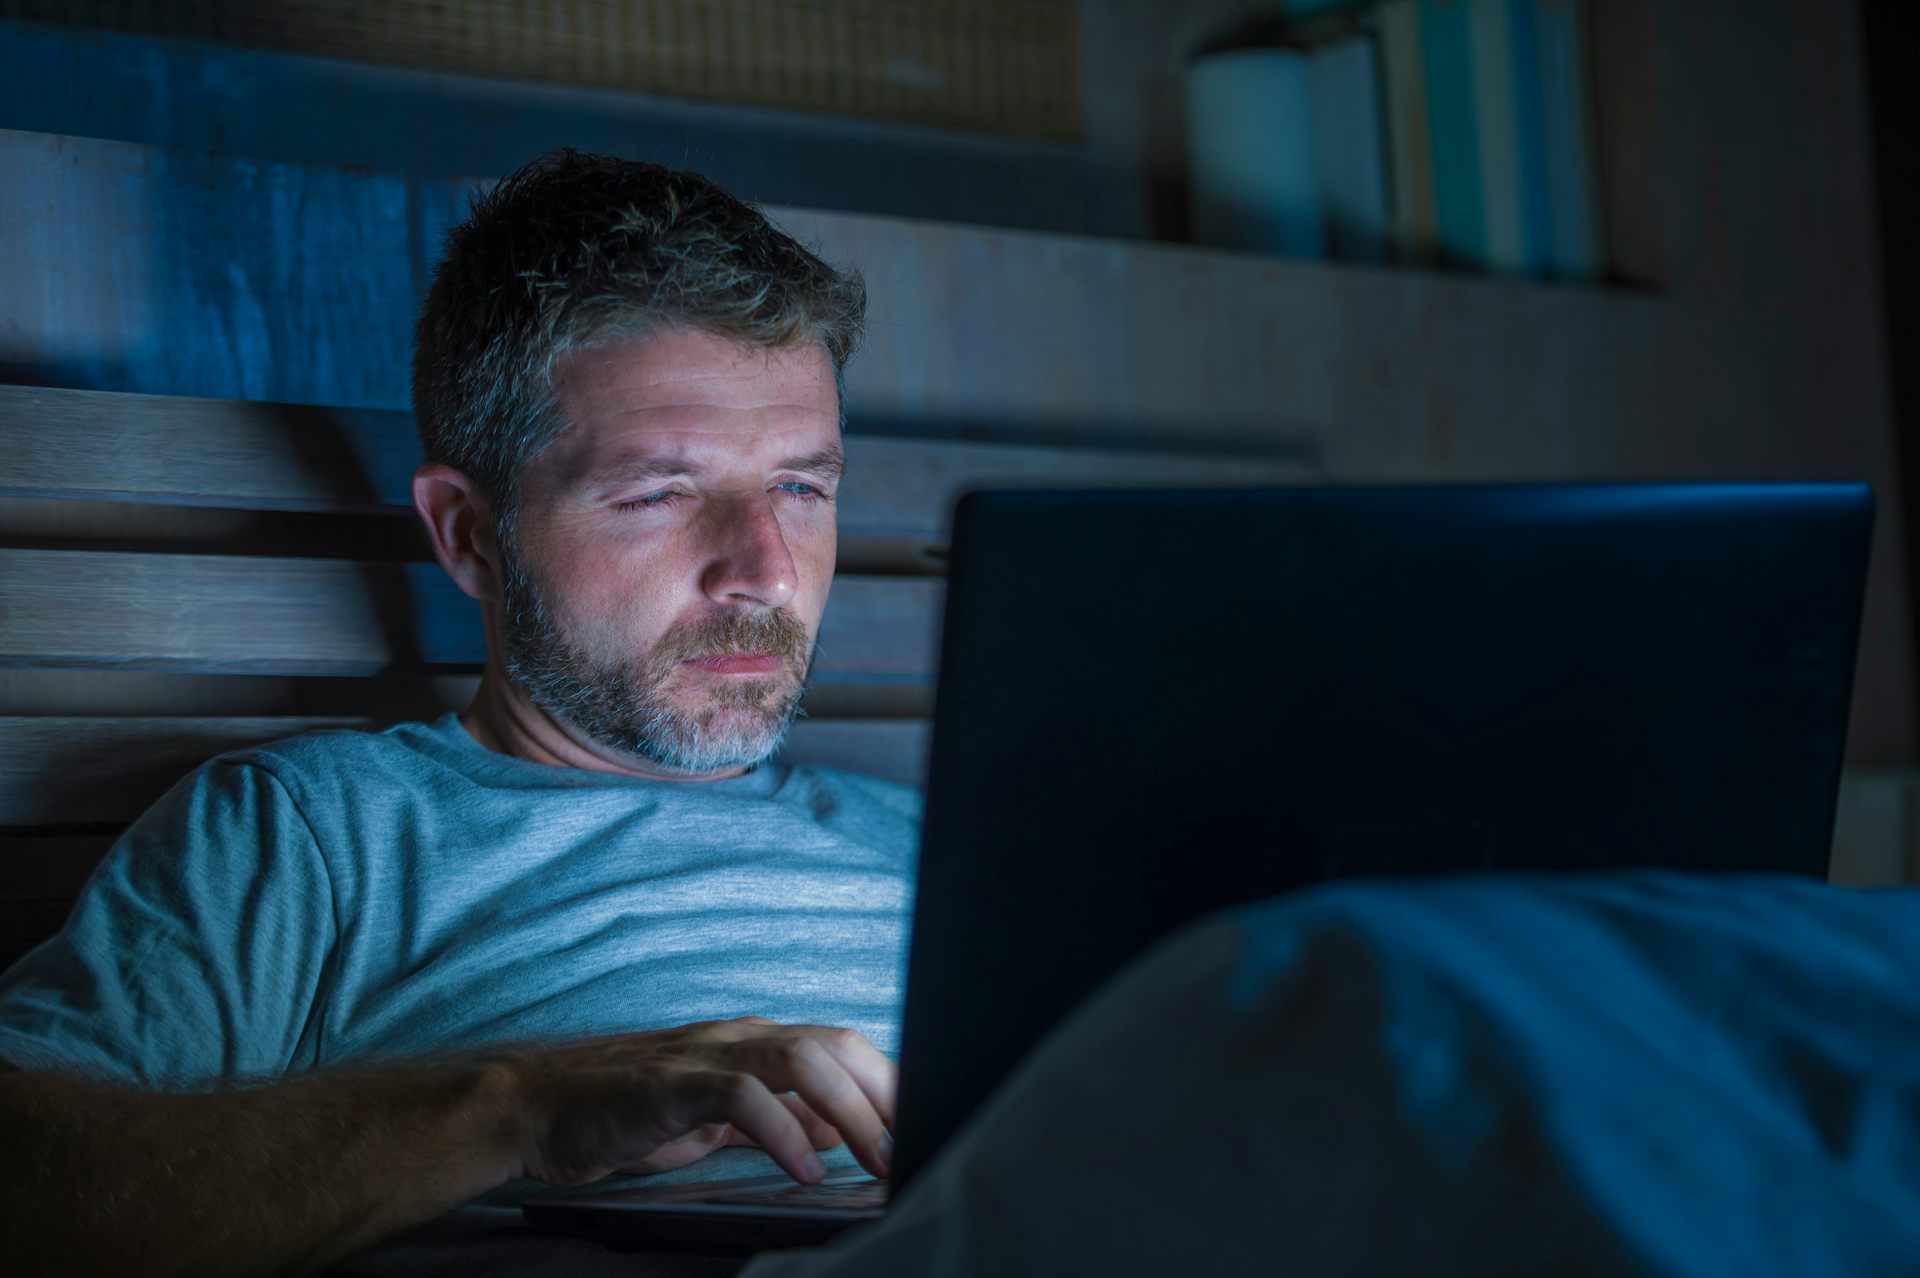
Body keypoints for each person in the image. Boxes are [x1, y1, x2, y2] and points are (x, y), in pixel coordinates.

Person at [0, 149, 910, 1276]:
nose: (765, 572)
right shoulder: (314, 841)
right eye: (660, 493)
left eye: (800, 488)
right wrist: (517, 1108)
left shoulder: (943, 846)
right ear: (471, 536)